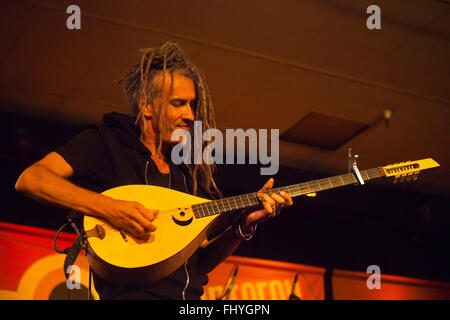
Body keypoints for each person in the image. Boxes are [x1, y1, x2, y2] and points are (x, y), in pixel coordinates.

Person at [14, 41, 293, 300]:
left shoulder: (187, 172)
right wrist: (111, 208)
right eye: (178, 103)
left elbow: (199, 264)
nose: (191, 115)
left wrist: (243, 226)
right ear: (147, 106)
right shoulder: (106, 143)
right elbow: (32, 179)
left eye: (193, 104)